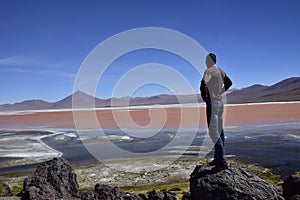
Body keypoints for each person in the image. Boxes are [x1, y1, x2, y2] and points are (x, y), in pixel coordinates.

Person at [200, 53, 232, 172]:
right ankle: (218, 158)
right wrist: (220, 92)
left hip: (212, 104)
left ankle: (222, 161)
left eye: (206, 60)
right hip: (220, 103)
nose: (205, 62)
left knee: (214, 132)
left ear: (209, 61)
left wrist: (206, 97)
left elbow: (203, 84)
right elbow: (229, 83)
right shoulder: (221, 71)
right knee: (219, 130)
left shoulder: (209, 71)